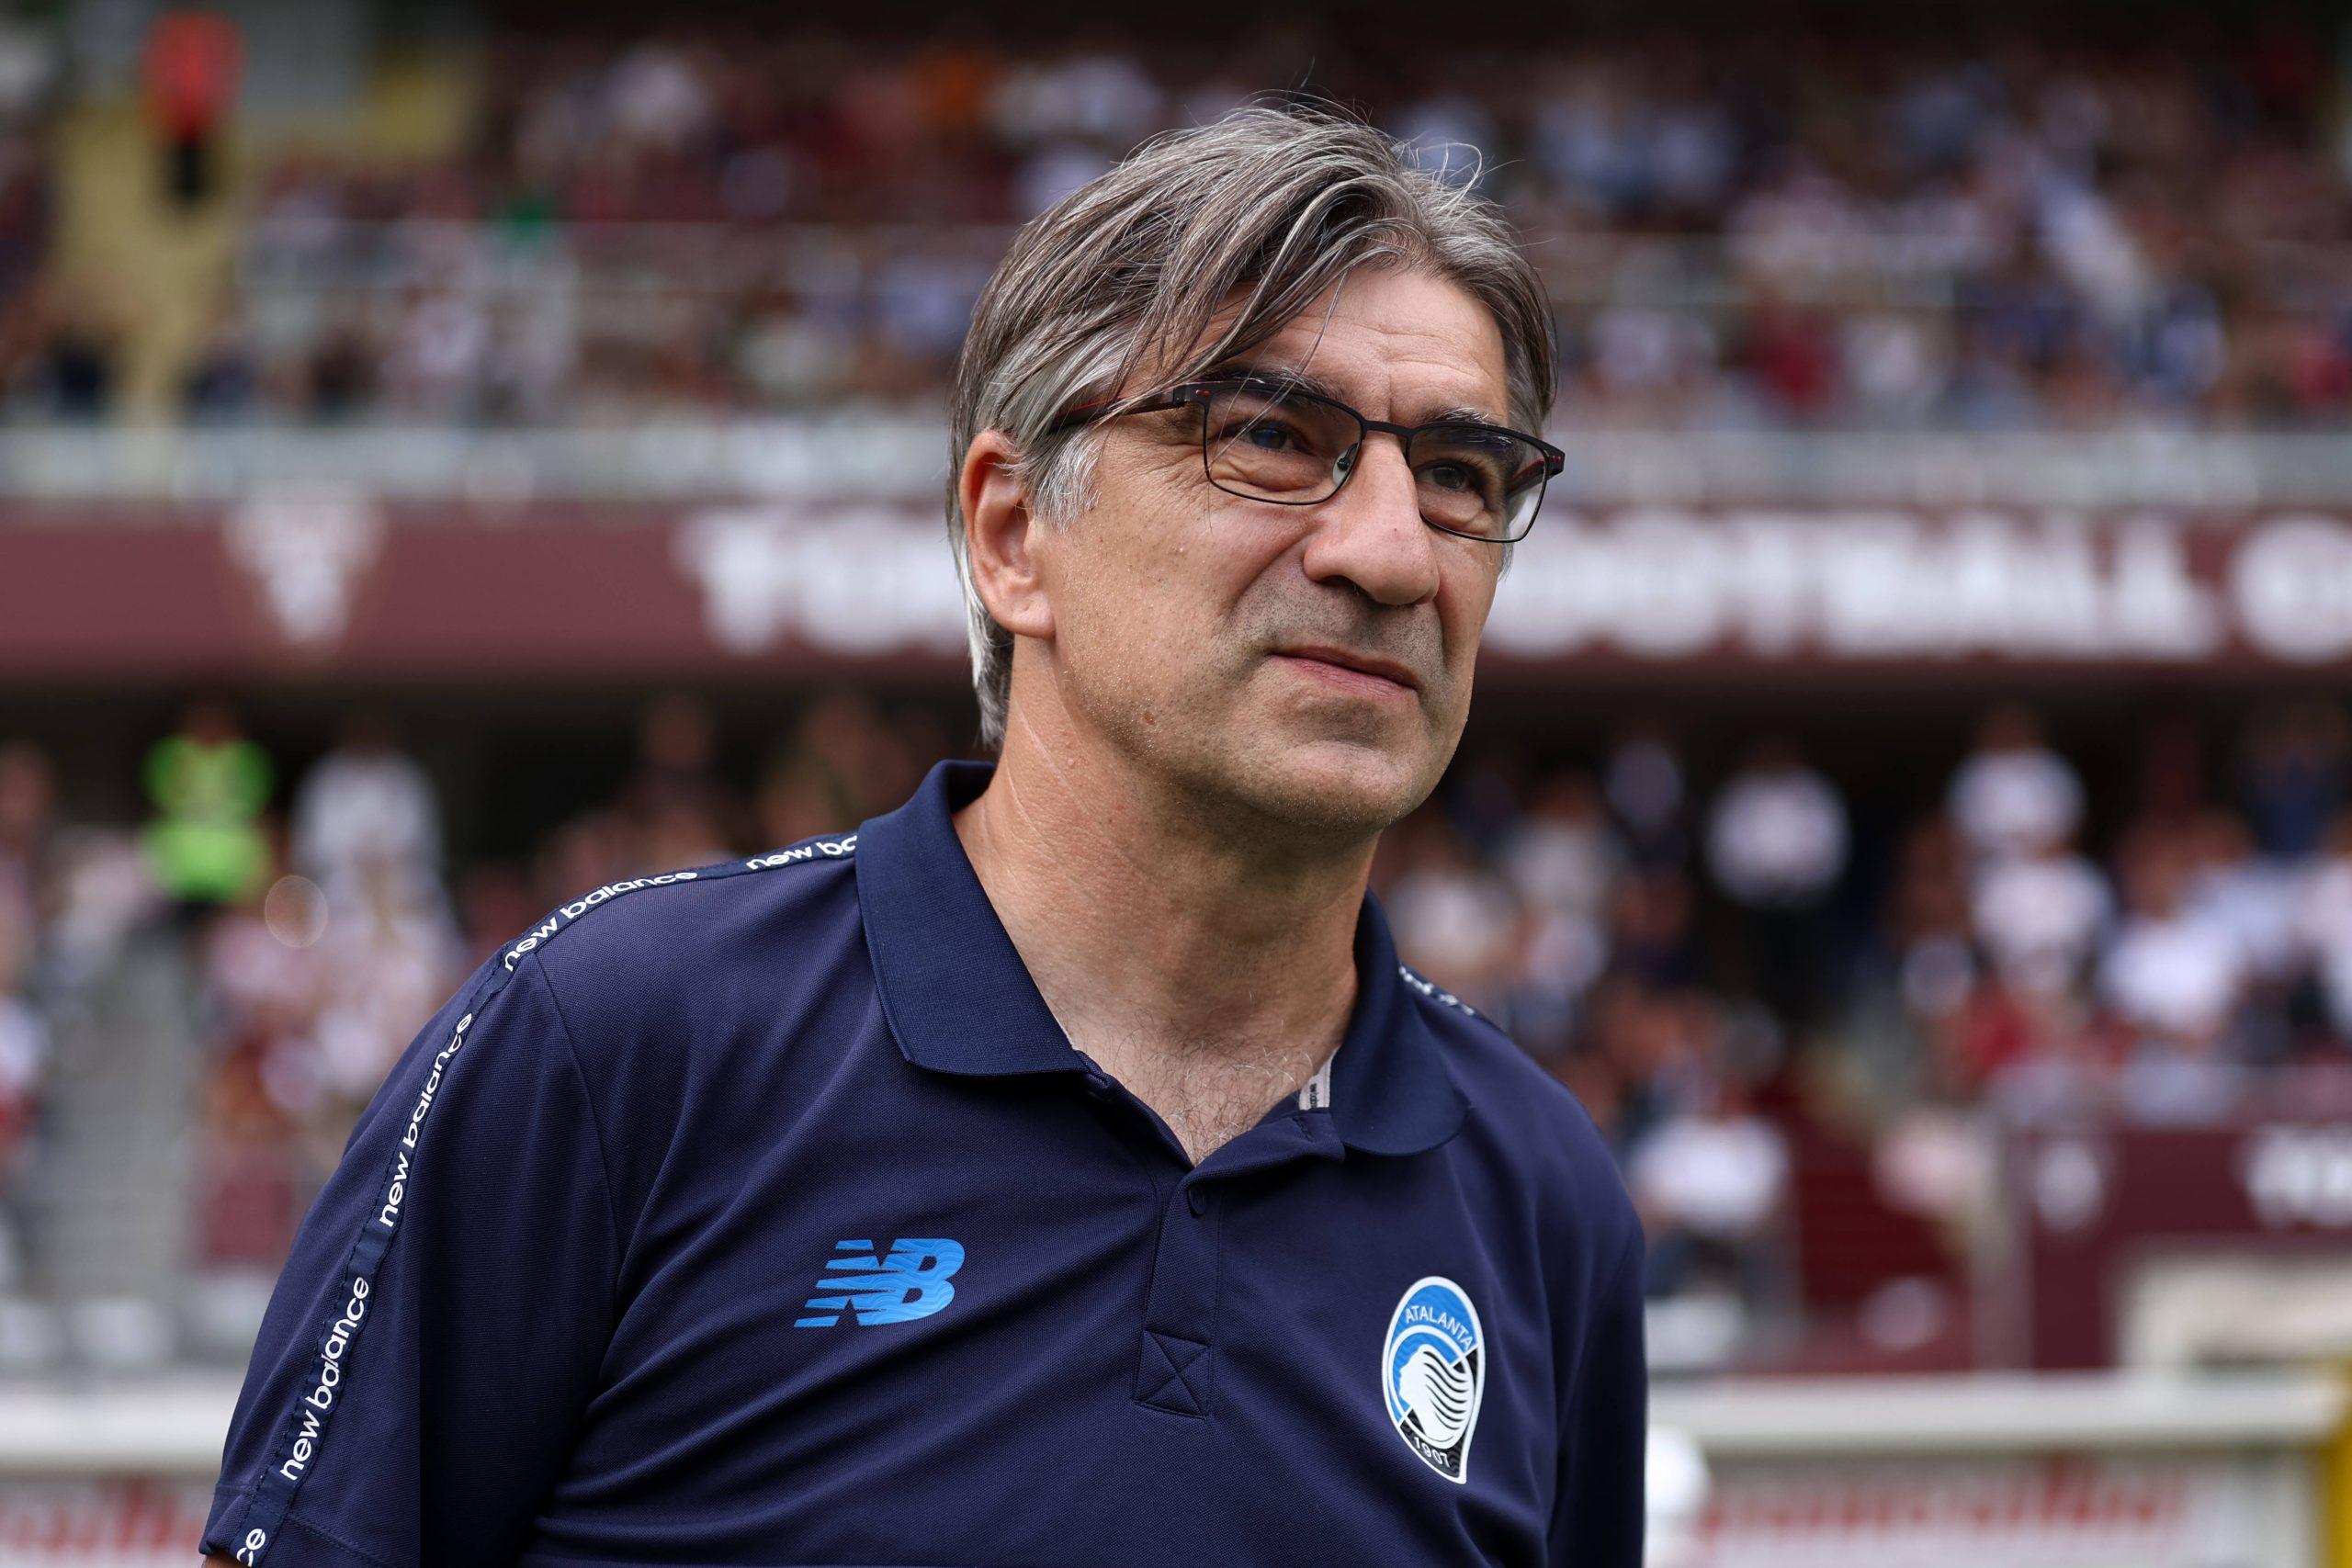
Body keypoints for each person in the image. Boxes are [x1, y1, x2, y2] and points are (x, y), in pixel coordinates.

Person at [201, 102, 1645, 1568]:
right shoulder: (611, 1044)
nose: (1394, 550)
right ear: (1015, 536)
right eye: (1272, 437)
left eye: (1463, 475)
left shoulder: (1543, 1196)